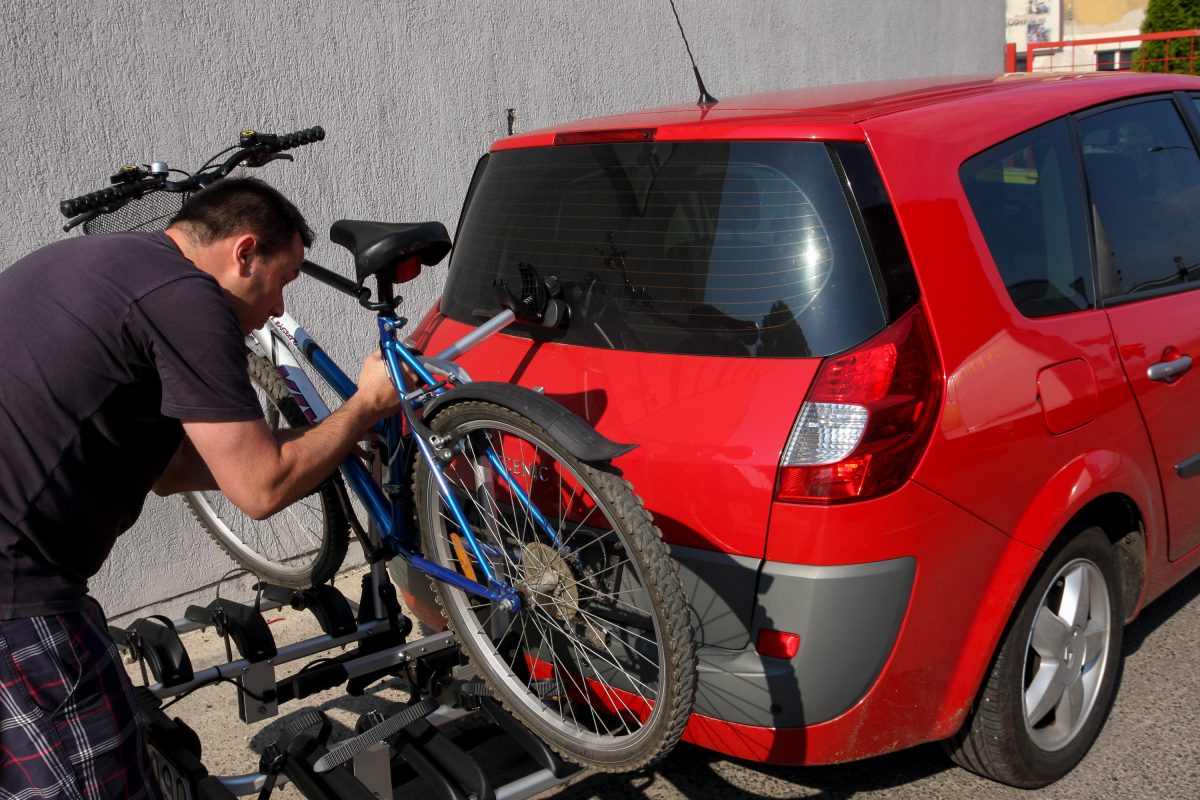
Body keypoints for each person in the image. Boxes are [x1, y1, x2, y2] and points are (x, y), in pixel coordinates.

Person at [0, 178, 400, 799]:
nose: (277, 309)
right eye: (283, 281)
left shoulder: (103, 262)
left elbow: (172, 471)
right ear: (244, 253)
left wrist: (328, 443)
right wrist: (364, 407)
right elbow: (260, 488)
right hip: (17, 601)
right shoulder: (187, 300)